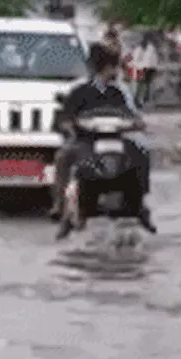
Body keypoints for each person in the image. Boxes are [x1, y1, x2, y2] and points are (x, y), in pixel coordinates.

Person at [49, 43, 155, 236]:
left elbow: (129, 115)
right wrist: (69, 126)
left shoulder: (117, 93)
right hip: (85, 141)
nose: (115, 71)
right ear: (106, 67)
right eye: (113, 67)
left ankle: (140, 204)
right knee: (63, 156)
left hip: (117, 140)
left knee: (142, 153)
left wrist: (137, 123)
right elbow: (65, 117)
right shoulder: (79, 91)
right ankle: (61, 205)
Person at [134, 34, 160, 107]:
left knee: (147, 84)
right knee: (141, 84)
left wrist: (155, 68)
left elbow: (154, 59)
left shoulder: (151, 48)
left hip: (150, 68)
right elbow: (136, 59)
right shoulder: (138, 48)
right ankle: (137, 99)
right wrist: (139, 67)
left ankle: (145, 99)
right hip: (141, 68)